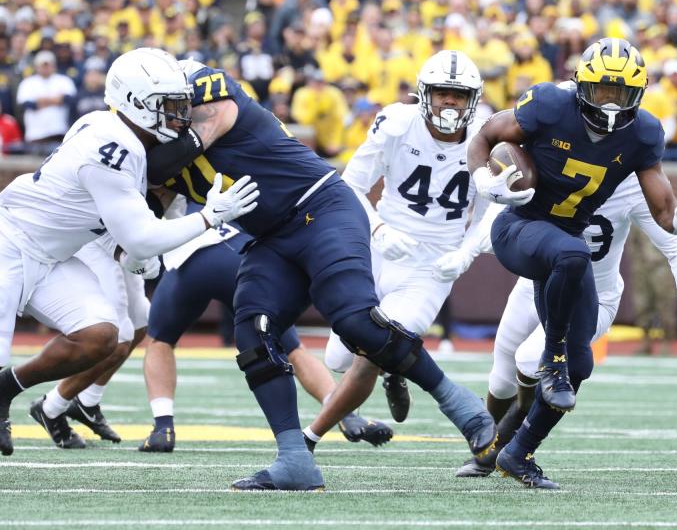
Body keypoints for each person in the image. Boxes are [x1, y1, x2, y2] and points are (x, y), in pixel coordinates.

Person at [143, 57, 495, 491]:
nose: (172, 112)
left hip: (321, 207)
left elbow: (196, 134)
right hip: (271, 236)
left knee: (354, 318)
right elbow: (146, 207)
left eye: (175, 102)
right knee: (253, 327)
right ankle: (295, 460)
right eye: (162, 106)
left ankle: (462, 406)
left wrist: (144, 157)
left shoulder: (212, 100)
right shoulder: (154, 144)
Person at [467, 37, 677, 488]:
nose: (611, 105)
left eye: (622, 94)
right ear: (580, 86)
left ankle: (518, 453)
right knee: (570, 259)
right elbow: (484, 136)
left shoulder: (643, 133)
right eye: (602, 91)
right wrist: (483, 179)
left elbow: (663, 208)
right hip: (521, 227)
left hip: (566, 249)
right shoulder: (549, 105)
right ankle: (548, 361)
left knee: (581, 367)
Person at [0, 47, 259, 456]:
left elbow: (126, 225)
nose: (179, 113)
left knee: (102, 336)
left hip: (55, 256)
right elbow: (139, 238)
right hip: (10, 243)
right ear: (137, 103)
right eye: (169, 105)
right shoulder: (115, 146)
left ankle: (7, 390)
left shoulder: (117, 132)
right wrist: (208, 218)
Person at [457, 174, 677, 477]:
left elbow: (676, 246)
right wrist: (466, 252)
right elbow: (502, 209)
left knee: (530, 361)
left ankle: (508, 447)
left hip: (593, 297)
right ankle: (484, 444)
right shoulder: (556, 157)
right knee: (502, 377)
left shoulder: (630, 181)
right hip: (536, 283)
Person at [302, 49, 492, 448]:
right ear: (425, 92)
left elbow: (492, 214)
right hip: (379, 249)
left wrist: (465, 254)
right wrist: (378, 228)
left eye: (459, 95)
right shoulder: (397, 123)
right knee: (337, 359)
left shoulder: (487, 136)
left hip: (432, 262)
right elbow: (350, 184)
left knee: (373, 346)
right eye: (442, 92)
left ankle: (310, 438)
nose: (450, 102)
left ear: (473, 99)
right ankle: (396, 366)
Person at [138, 198, 393, 453]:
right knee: (292, 347)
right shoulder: (228, 172)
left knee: (160, 340)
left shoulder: (172, 177)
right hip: (238, 256)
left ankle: (163, 427)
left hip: (190, 260)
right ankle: (344, 414)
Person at [29, 233, 155, 449]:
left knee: (140, 322)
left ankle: (87, 401)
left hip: (127, 239)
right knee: (118, 336)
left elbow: (175, 210)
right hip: (99, 238)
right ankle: (50, 407)